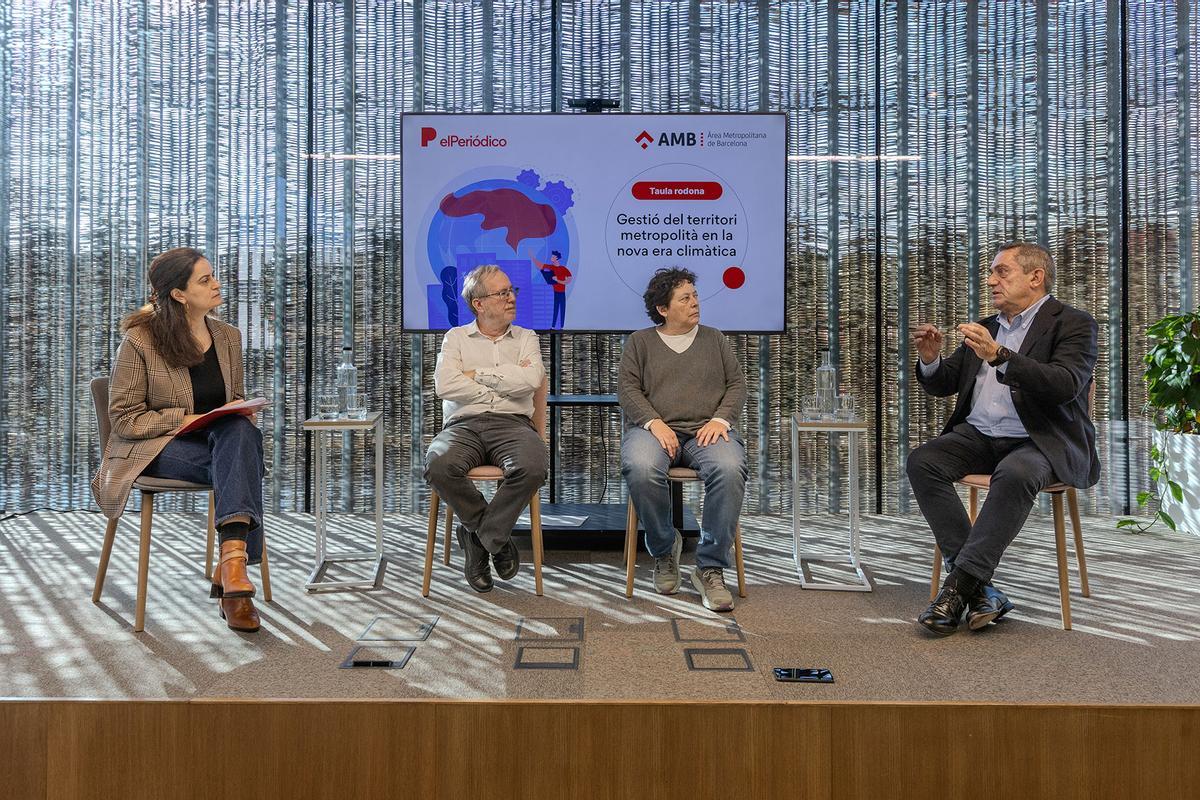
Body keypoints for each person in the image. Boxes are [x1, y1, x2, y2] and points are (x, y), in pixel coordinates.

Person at [908, 241, 1099, 636]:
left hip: (1040, 440)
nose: (991, 280)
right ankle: (980, 590)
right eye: (992, 273)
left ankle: (957, 589)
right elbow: (945, 383)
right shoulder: (988, 326)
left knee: (1015, 473)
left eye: (1001, 272)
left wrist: (1001, 358)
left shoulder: (1073, 324)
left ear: (1035, 277)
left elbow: (1065, 384)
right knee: (923, 461)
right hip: (980, 436)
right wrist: (930, 359)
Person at [91, 247, 266, 633]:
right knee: (243, 455)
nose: (217, 284)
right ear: (179, 294)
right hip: (154, 450)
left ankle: (230, 564)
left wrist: (238, 408)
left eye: (213, 276)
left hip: (214, 446)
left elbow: (230, 398)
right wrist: (190, 418)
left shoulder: (228, 337)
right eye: (205, 280)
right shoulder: (140, 341)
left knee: (240, 433)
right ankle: (233, 578)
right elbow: (123, 419)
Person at [619, 267, 748, 612]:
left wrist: (721, 420)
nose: (695, 303)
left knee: (730, 467)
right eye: (685, 298)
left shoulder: (715, 339)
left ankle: (710, 567)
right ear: (663, 309)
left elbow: (737, 385)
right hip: (653, 431)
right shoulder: (640, 342)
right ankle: (664, 550)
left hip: (706, 431)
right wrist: (654, 422)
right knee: (641, 466)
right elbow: (628, 389)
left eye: (695, 295)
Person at [425, 265, 547, 593]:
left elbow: (532, 381)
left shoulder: (526, 338)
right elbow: (444, 384)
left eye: (512, 291)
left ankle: (478, 538)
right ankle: (494, 535)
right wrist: (502, 382)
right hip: (463, 425)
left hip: (513, 424)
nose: (511, 298)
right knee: (439, 463)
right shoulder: (456, 338)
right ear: (479, 304)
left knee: (534, 465)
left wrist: (475, 375)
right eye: (502, 292)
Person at [528, 249, 572, 329]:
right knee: (555, 309)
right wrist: (532, 257)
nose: (551, 258)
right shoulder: (551, 267)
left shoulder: (563, 269)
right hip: (556, 292)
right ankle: (553, 326)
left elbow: (569, 280)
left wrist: (557, 280)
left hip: (562, 293)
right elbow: (540, 265)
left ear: (557, 258)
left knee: (562, 309)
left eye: (553, 257)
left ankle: (562, 326)